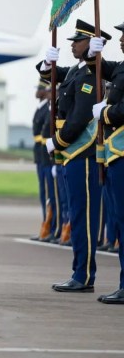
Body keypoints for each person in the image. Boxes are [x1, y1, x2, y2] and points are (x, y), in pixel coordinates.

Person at [39, 19, 110, 293]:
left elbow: (80, 118)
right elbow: (53, 76)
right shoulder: (76, 71)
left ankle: (84, 275)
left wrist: (57, 142)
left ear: (92, 44)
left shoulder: (91, 76)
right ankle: (79, 271)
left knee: (84, 217)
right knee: (77, 214)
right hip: (73, 155)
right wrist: (47, 65)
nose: (72, 45)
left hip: (84, 153)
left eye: (78, 41)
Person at [88, 21, 124, 304]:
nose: (121, 40)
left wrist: (106, 112)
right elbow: (103, 69)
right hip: (115, 154)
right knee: (119, 222)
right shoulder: (123, 67)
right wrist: (93, 55)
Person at [31, 79, 54, 241]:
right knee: (43, 193)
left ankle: (50, 227)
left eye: (41, 89)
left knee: (49, 193)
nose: (37, 91)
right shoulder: (41, 108)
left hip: (46, 155)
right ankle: (46, 225)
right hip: (40, 155)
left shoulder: (48, 109)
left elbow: (45, 134)